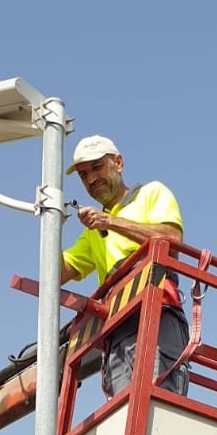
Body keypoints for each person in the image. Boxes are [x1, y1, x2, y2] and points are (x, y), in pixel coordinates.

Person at [62, 134, 190, 397]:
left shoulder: (151, 193)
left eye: (97, 167)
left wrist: (110, 222)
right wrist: (49, 223)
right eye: (84, 175)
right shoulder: (91, 233)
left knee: (157, 406)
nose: (92, 179)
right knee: (123, 415)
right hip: (117, 331)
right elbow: (57, 274)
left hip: (155, 315)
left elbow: (172, 239)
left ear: (118, 163)